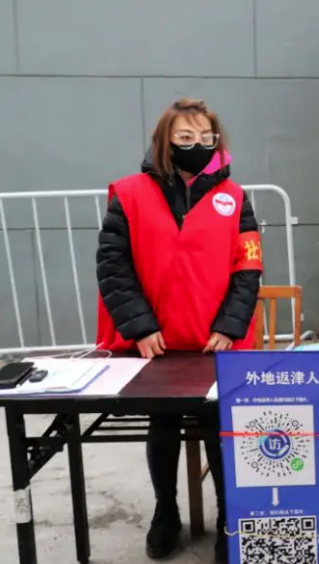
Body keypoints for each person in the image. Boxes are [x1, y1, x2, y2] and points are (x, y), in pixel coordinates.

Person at [95, 98, 263, 563]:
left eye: (205, 138)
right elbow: (113, 265)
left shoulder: (236, 197)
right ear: (165, 142)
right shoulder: (128, 195)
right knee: (163, 423)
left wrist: (230, 327)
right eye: (184, 138)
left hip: (216, 343)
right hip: (158, 344)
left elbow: (247, 269)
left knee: (219, 428)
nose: (196, 146)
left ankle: (230, 516)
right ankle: (166, 512)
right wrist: (139, 326)